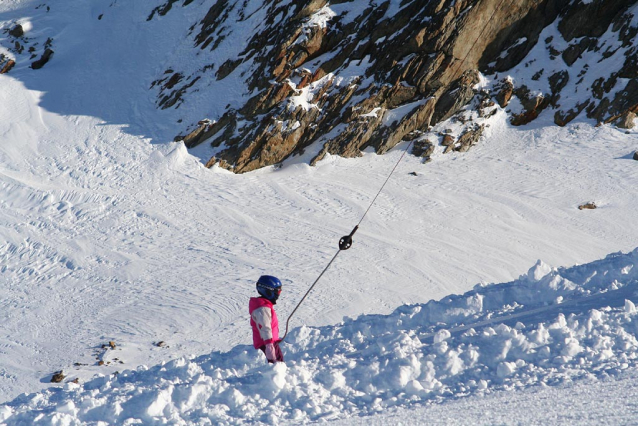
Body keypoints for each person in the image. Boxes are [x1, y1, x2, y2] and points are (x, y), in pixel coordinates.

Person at [249, 275, 284, 363]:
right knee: (277, 369)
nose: (279, 294)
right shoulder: (262, 309)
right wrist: (269, 347)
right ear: (269, 291)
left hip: (270, 343)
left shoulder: (264, 306)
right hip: (267, 345)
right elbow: (265, 328)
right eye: (278, 291)